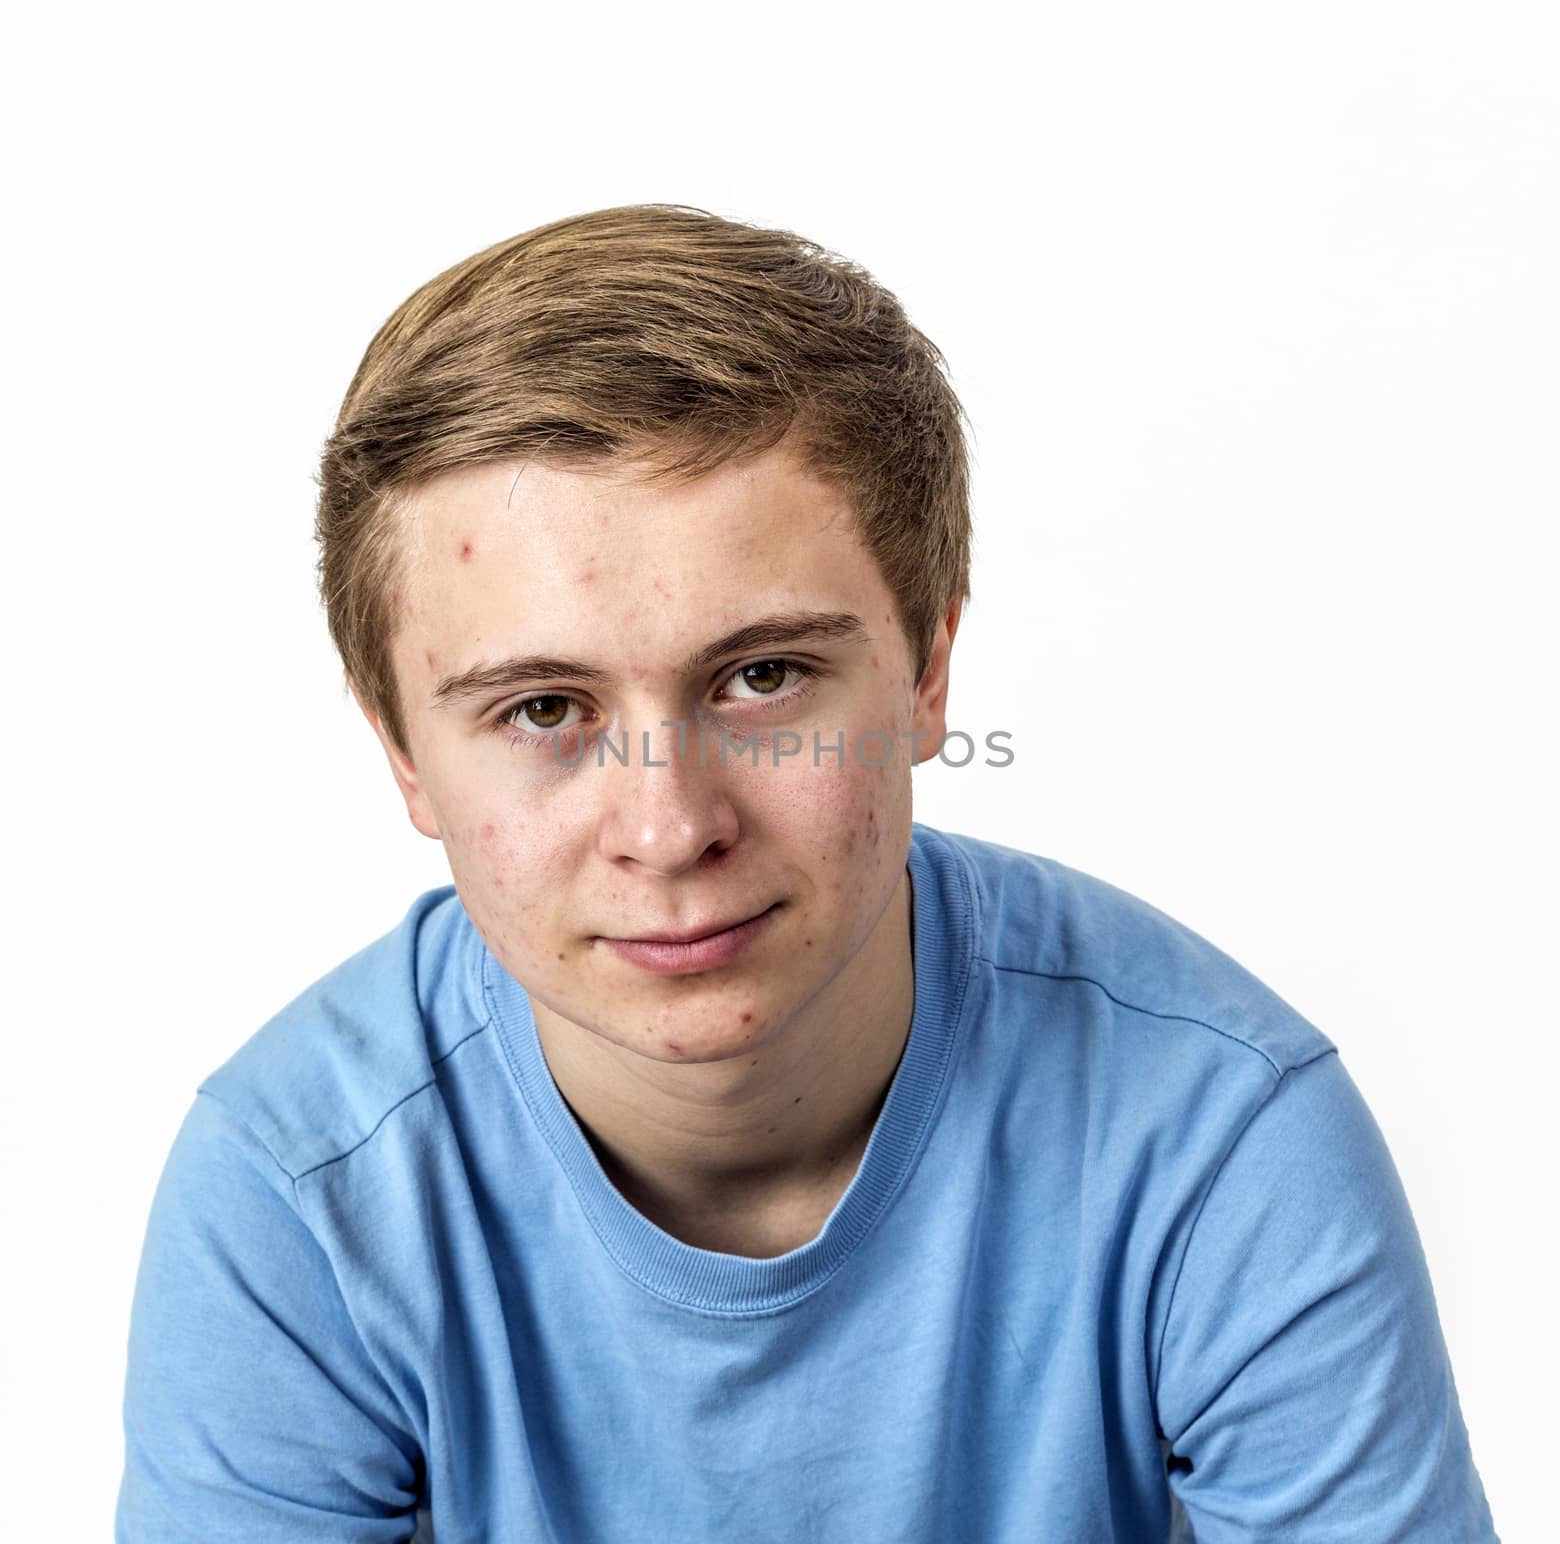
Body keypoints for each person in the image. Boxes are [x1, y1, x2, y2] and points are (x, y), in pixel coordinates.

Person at [116, 205, 1498, 1542]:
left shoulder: (1219, 1131)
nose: (668, 829)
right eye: (542, 709)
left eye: (764, 677)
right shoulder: (298, 1194)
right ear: (405, 756)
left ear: (928, 672)